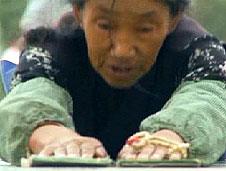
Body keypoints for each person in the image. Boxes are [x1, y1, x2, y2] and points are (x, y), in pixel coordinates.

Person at [0, 0, 226, 166]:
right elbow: (28, 99)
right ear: (79, 13)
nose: (122, 51)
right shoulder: (52, 51)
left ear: (173, 20)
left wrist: (172, 137)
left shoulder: (200, 53)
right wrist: (52, 136)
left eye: (144, 29)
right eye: (105, 26)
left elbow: (212, 98)